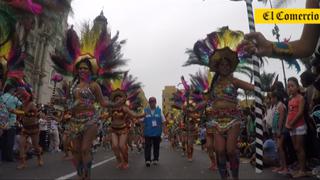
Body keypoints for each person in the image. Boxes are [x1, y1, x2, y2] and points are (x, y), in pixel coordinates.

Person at [185, 27, 254, 179]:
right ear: (217, 67)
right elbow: (206, 101)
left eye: (227, 64)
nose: (224, 67)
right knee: (219, 151)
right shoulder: (214, 85)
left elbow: (252, 87)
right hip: (216, 121)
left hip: (233, 119)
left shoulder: (234, 81)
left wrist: (263, 88)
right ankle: (224, 176)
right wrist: (194, 109)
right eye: (221, 65)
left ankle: (235, 176)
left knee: (230, 150)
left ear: (230, 66)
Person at [286, 77, 307, 178]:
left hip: (299, 126)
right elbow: (289, 113)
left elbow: (300, 113)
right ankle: (300, 169)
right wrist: (287, 123)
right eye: (288, 86)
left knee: (300, 148)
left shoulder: (300, 98)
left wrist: (291, 124)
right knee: (296, 148)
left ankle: (303, 170)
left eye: (292, 86)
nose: (290, 88)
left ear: (297, 87)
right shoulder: (290, 100)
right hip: (291, 127)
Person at [141, 97, 166, 167]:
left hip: (157, 133)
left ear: (155, 102)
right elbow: (141, 121)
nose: (152, 103)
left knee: (156, 147)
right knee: (147, 147)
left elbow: (164, 121)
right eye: (150, 102)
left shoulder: (159, 111)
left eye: (153, 102)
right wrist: (142, 130)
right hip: (147, 132)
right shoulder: (145, 111)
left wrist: (163, 132)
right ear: (149, 103)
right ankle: (147, 160)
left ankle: (155, 159)